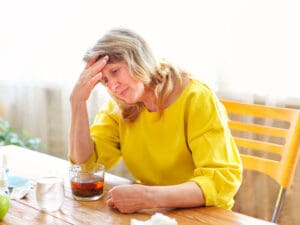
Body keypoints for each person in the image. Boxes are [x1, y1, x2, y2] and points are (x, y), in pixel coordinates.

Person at [69, 28, 242, 214]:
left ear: (137, 58)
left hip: (202, 214)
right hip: (154, 213)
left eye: (115, 71)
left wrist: (147, 196)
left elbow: (222, 181)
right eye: (104, 81)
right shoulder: (119, 106)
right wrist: (77, 102)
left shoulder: (196, 97)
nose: (113, 86)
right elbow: (85, 168)